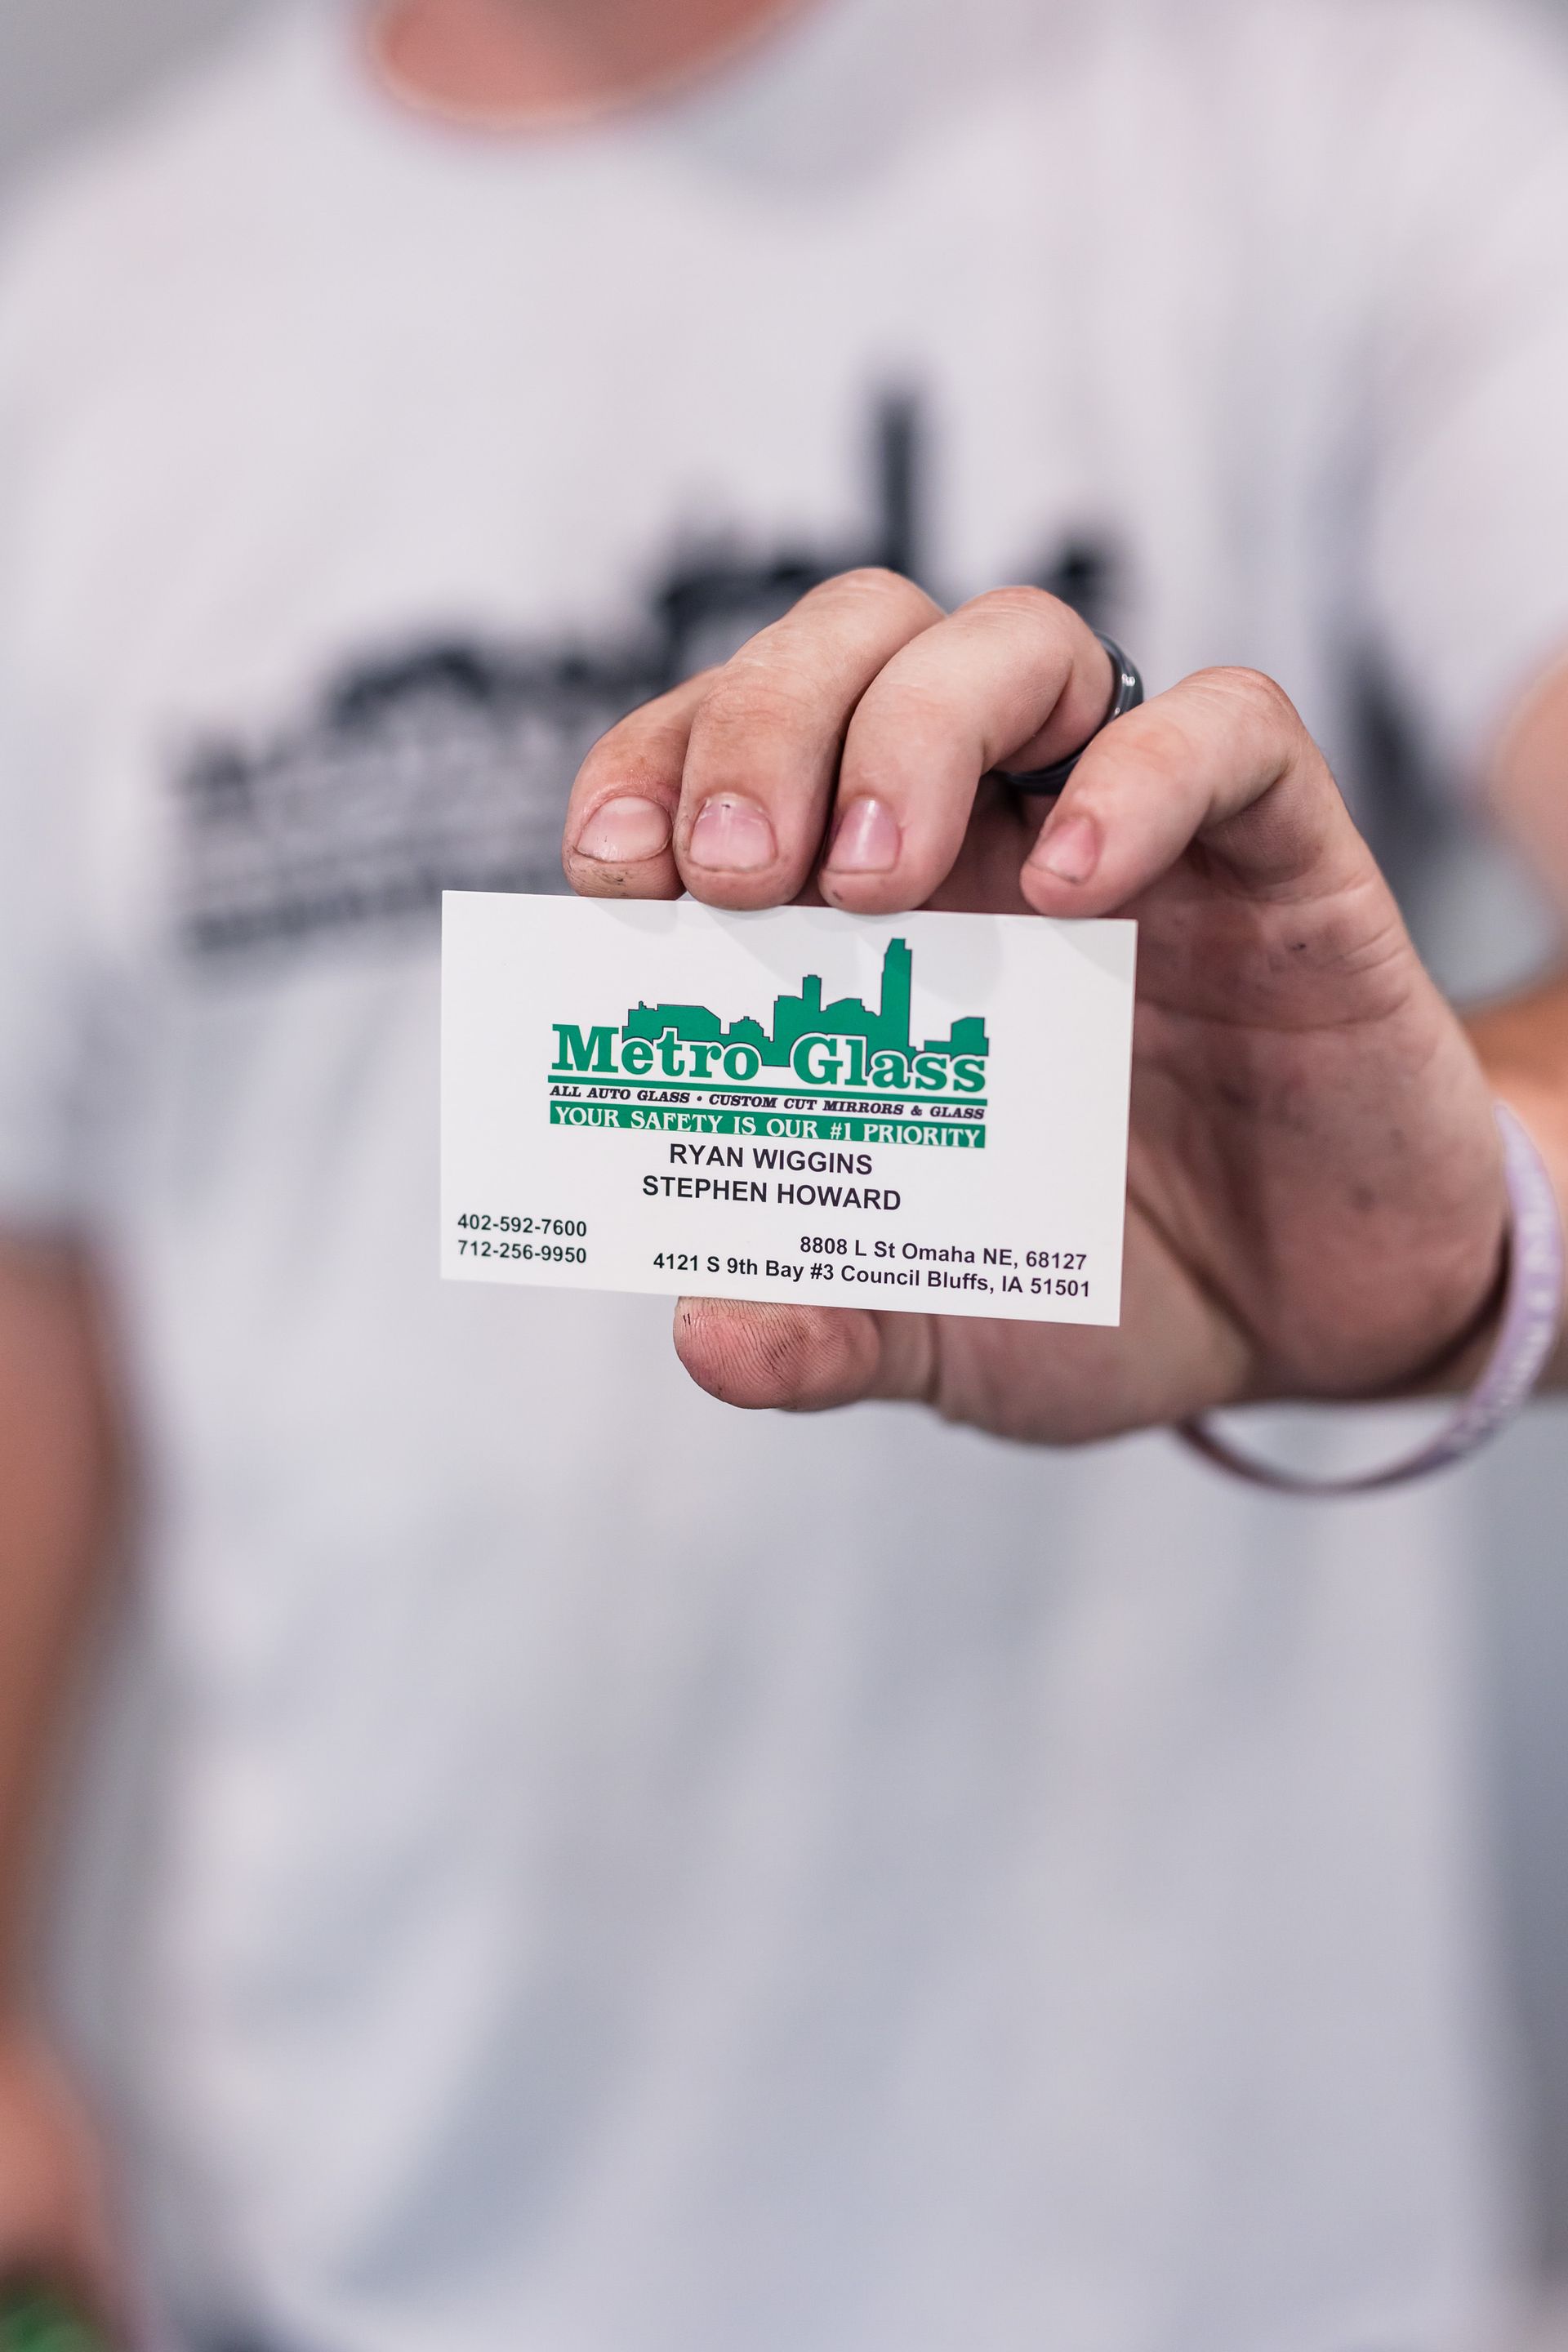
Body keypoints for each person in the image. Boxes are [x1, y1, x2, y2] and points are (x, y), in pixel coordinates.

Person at [0, 0, 1566, 2346]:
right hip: (332, 2256)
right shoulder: (78, 324)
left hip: (1227, 2275)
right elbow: (43, 1269)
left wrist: (1471, 1225)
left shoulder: (1339, 119)